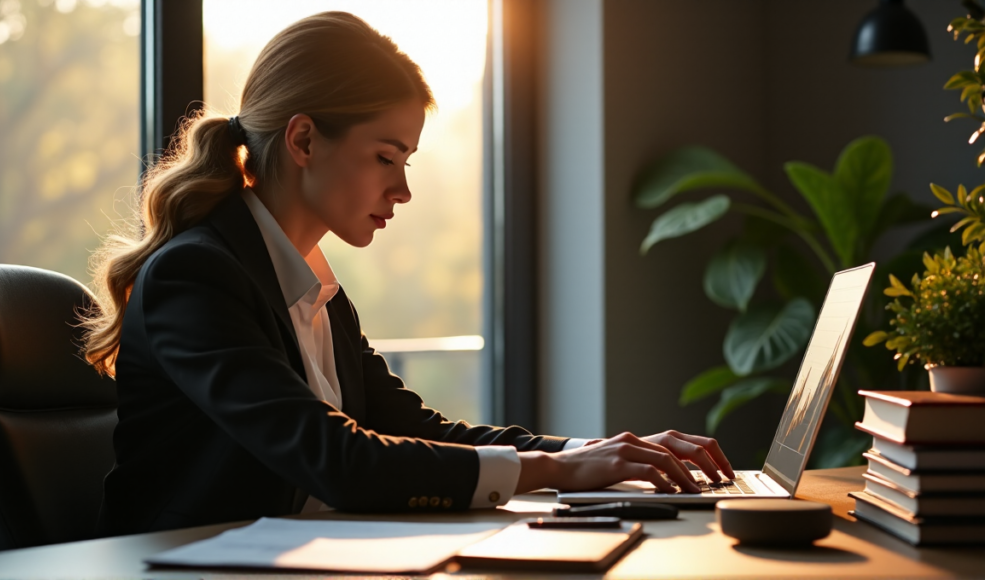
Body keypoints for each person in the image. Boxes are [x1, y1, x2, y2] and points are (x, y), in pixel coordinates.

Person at [82, 11, 734, 536]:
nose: (402, 191)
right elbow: (335, 459)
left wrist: (600, 454)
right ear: (304, 140)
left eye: (409, 163)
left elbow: (417, 430)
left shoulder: (314, 289)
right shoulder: (195, 276)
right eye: (386, 157)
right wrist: (557, 466)